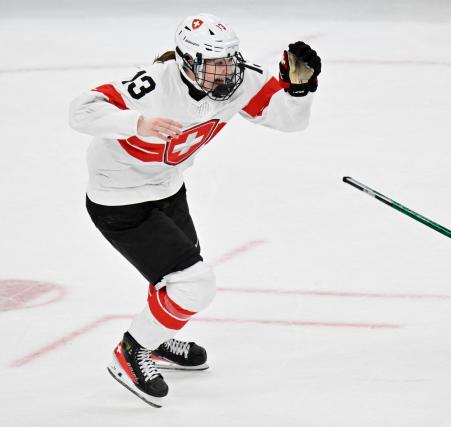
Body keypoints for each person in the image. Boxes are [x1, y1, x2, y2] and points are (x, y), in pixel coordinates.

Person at [69, 13, 321, 408]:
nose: (226, 72)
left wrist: (298, 90)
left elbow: (287, 122)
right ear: (187, 62)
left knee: (176, 280)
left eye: (230, 59)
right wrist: (137, 122)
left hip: (169, 189)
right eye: (214, 64)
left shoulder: (237, 80)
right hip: (120, 198)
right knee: (194, 283)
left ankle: (155, 338)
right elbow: (81, 111)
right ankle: (131, 352)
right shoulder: (154, 85)